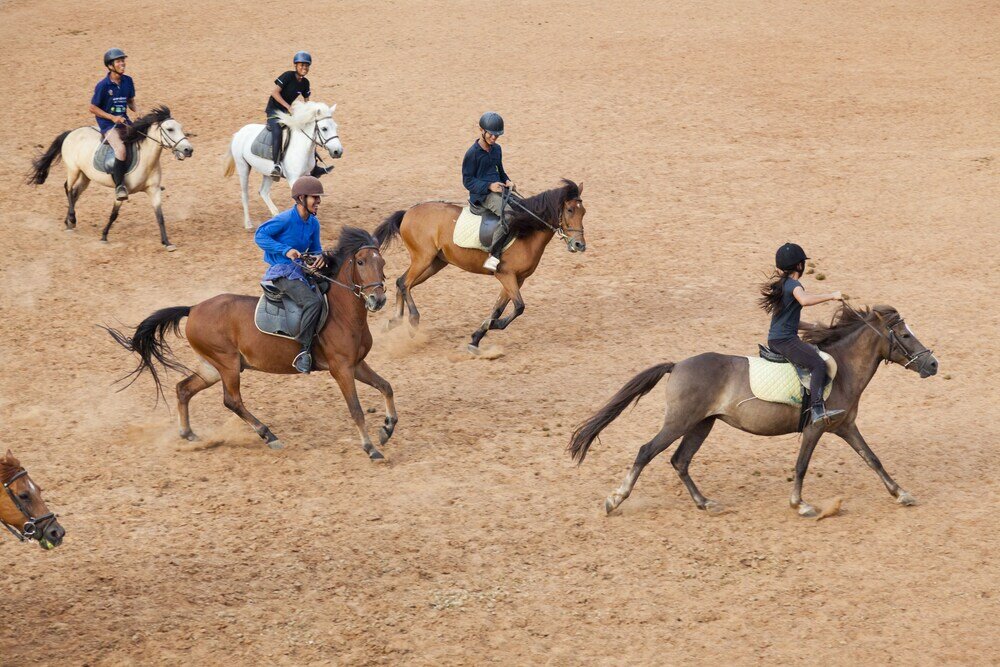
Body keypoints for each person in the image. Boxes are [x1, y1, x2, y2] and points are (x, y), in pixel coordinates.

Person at [759, 243, 845, 425]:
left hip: (778, 339)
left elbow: (789, 322)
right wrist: (831, 295)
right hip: (785, 341)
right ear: (800, 265)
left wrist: (812, 327)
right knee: (819, 365)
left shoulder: (782, 286)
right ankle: (817, 410)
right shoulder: (794, 285)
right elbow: (804, 300)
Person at [254, 176, 327, 374]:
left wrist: (318, 257)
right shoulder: (285, 219)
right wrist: (285, 249)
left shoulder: (313, 223)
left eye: (319, 198)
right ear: (301, 198)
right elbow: (259, 235)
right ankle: (304, 351)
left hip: (302, 270)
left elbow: (316, 248)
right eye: (315, 197)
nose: (318, 201)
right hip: (282, 272)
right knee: (313, 302)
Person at [265, 51, 332, 181]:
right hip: (274, 112)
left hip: (288, 113)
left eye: (307, 66)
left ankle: (314, 166)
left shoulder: (305, 83)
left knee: (308, 132)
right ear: (296, 65)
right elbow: (274, 93)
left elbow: (308, 101)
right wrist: (289, 107)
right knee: (278, 131)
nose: (304, 68)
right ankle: (276, 165)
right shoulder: (287, 76)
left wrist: (312, 114)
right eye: (302, 65)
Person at [462, 111, 515, 271]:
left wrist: (507, 180)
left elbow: (500, 171)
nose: (494, 138)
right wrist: (489, 186)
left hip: (499, 189)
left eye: (497, 136)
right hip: (482, 196)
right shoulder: (472, 154)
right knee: (508, 215)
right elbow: (467, 181)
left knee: (522, 208)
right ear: (481, 130)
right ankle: (494, 255)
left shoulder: (496, 149)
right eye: (491, 135)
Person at [89, 48, 137, 201]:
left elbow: (130, 101)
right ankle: (119, 186)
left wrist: (138, 111)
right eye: (119, 61)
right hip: (108, 125)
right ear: (110, 66)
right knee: (121, 149)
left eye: (123, 60)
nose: (122, 63)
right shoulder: (103, 85)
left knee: (142, 140)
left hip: (124, 121)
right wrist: (112, 117)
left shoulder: (128, 81)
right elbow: (92, 108)